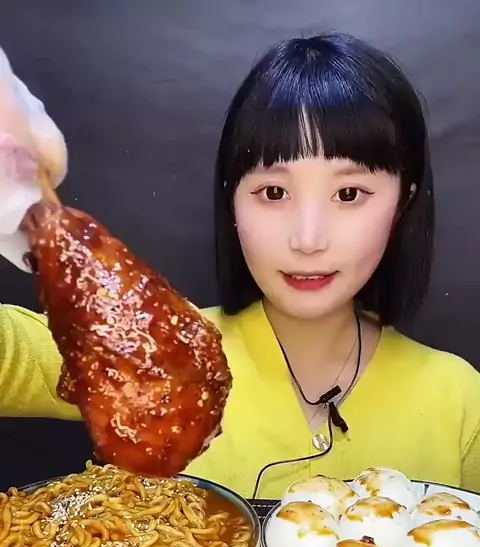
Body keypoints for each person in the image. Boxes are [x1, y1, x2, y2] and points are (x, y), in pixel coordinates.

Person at [1, 34, 480, 499]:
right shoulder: (152, 355)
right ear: (232, 200)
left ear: (403, 202)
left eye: (349, 193)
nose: (307, 239)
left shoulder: (459, 400)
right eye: (273, 192)